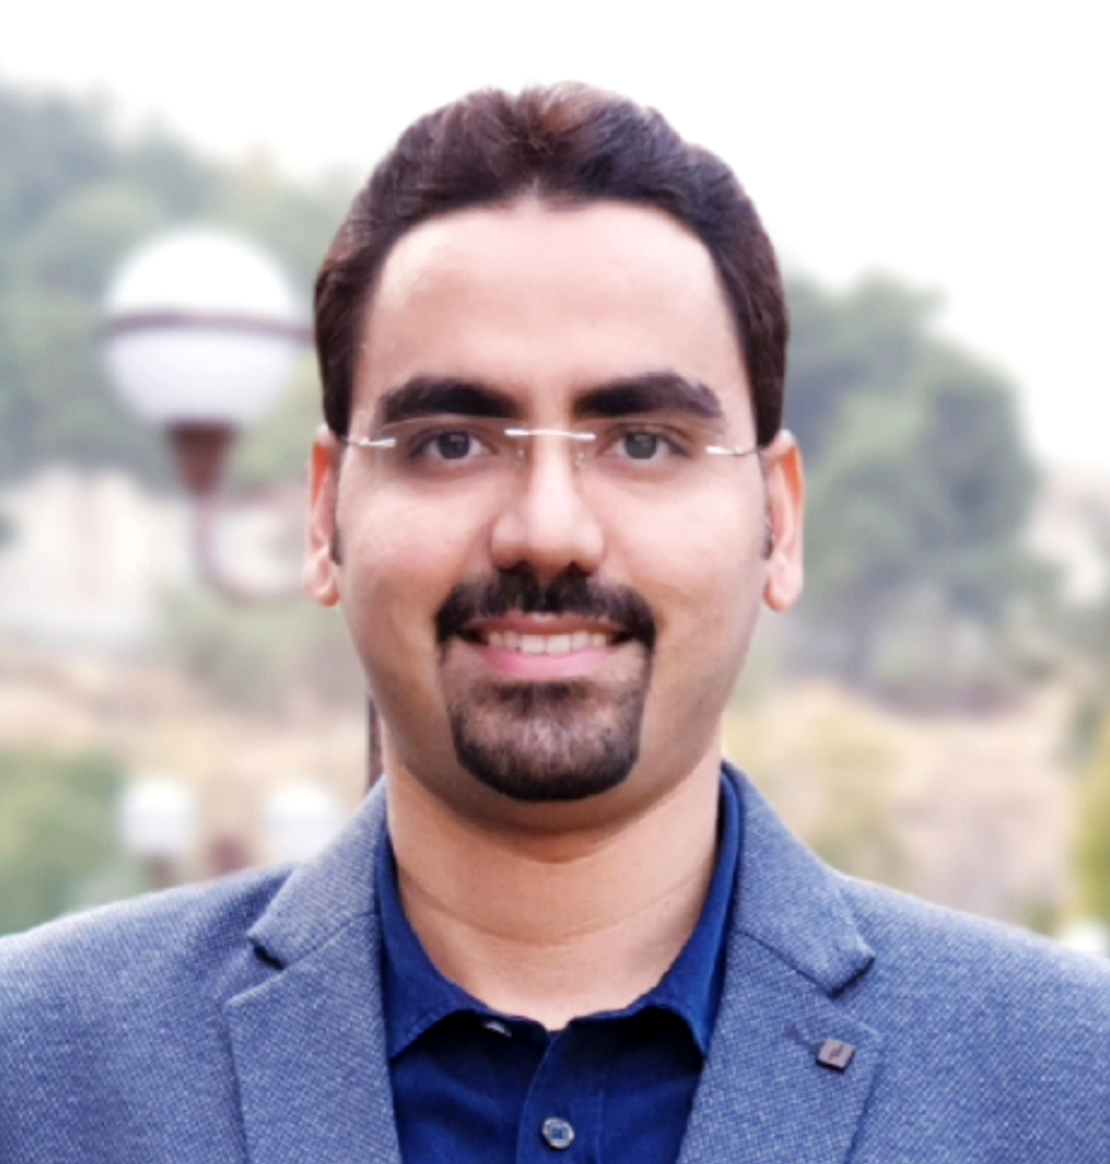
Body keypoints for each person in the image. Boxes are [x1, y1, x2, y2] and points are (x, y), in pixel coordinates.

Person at [1, 83, 1108, 1164]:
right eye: (451, 441)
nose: (547, 531)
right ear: (325, 514)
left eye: (642, 442)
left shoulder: (1069, 1086)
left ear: (778, 521)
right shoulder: (37, 1070)